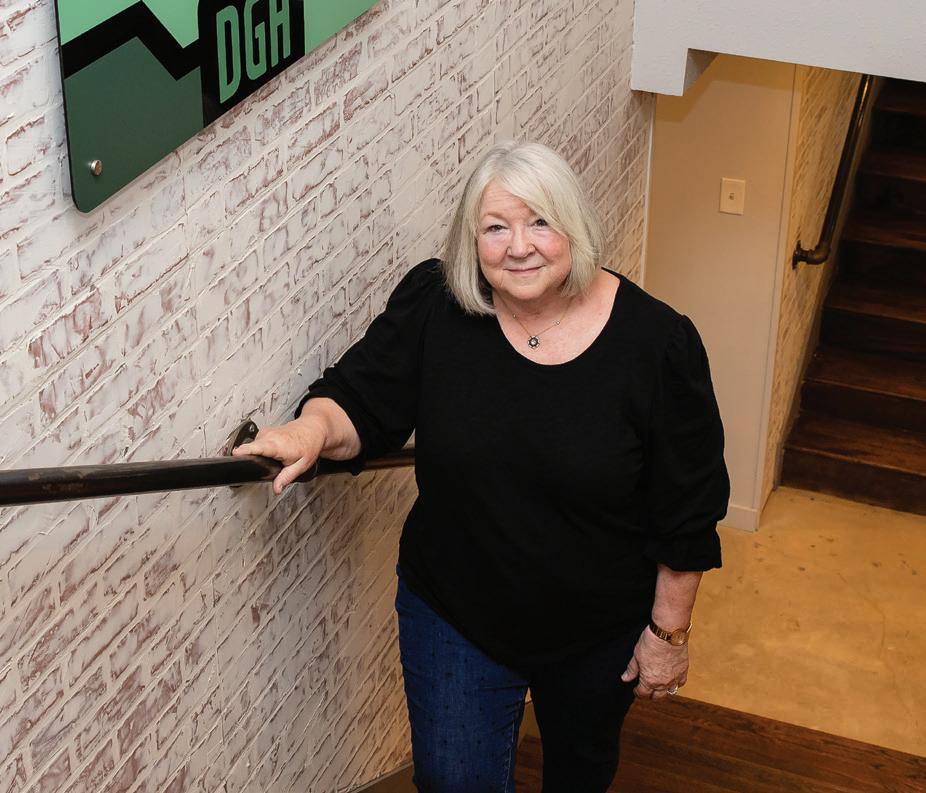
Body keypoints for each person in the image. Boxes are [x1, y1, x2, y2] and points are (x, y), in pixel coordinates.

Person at [233, 141, 730, 793]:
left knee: (580, 773)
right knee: (452, 780)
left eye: (540, 222)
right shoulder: (436, 305)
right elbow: (361, 397)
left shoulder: (657, 345)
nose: (519, 247)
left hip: (598, 625)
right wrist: (311, 429)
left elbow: (686, 510)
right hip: (457, 609)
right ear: (472, 239)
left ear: (575, 228)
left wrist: (668, 633)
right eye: (496, 227)